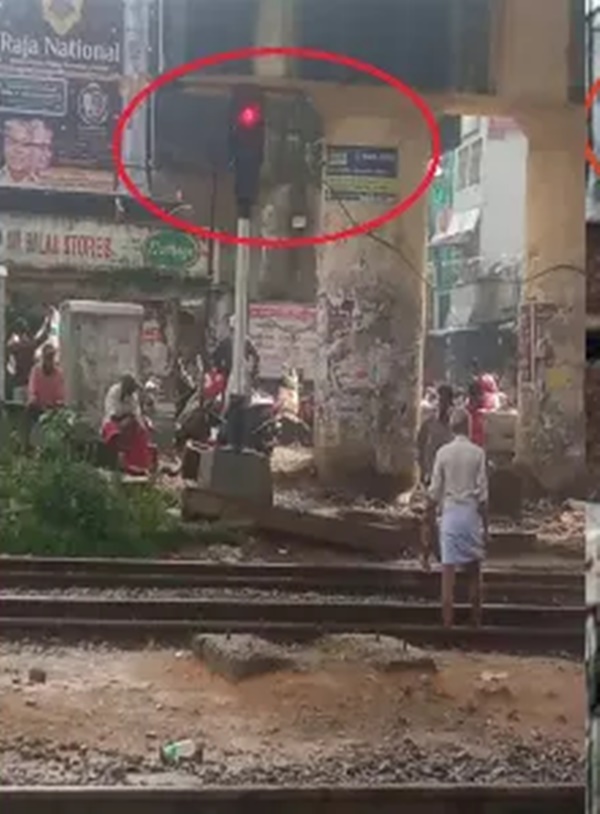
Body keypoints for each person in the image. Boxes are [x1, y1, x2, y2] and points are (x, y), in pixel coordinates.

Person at [426, 407, 489, 628]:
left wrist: (428, 517)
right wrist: (486, 529)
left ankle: (448, 624)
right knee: (474, 572)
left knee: (448, 575)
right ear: (469, 428)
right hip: (471, 517)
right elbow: (482, 496)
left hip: (450, 517)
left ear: (452, 428)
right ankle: (476, 621)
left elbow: (434, 492)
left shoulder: (443, 453)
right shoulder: (478, 453)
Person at [101, 374, 153, 474]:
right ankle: (117, 462)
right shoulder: (114, 392)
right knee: (114, 433)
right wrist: (122, 420)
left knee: (141, 432)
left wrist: (142, 426)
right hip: (113, 422)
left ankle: (138, 464)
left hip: (129, 421)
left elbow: (136, 412)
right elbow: (111, 411)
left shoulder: (133, 396)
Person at [7, 313, 52, 403]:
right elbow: (43, 337)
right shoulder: (30, 345)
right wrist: (48, 321)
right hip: (30, 383)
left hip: (18, 383)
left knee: (18, 410)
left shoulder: (14, 346)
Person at [212, 315, 260, 387]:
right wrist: (252, 371)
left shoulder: (225, 342)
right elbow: (256, 357)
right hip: (242, 377)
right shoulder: (246, 341)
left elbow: (215, 360)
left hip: (229, 377)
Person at [27, 343, 65, 415]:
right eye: (47, 357)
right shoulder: (36, 371)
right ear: (43, 357)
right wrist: (33, 399)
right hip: (38, 409)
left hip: (52, 410)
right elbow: (32, 389)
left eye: (51, 357)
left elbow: (60, 393)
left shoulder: (58, 373)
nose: (49, 360)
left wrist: (57, 403)